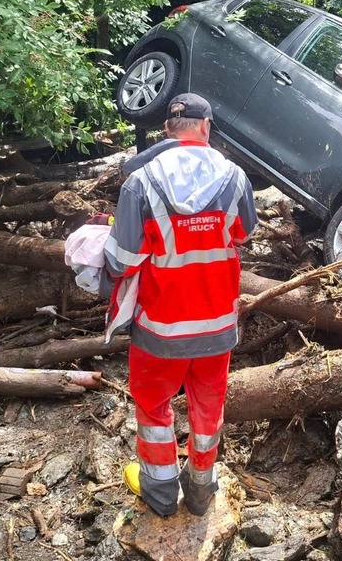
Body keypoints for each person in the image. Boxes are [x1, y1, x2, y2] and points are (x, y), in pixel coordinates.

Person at [103, 92, 258, 517]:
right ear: (205, 127)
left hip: (160, 329)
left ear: (168, 130)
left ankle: (160, 494)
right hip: (216, 326)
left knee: (153, 407)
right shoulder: (234, 177)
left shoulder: (141, 180)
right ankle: (201, 491)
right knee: (208, 408)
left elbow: (121, 261)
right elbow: (243, 235)